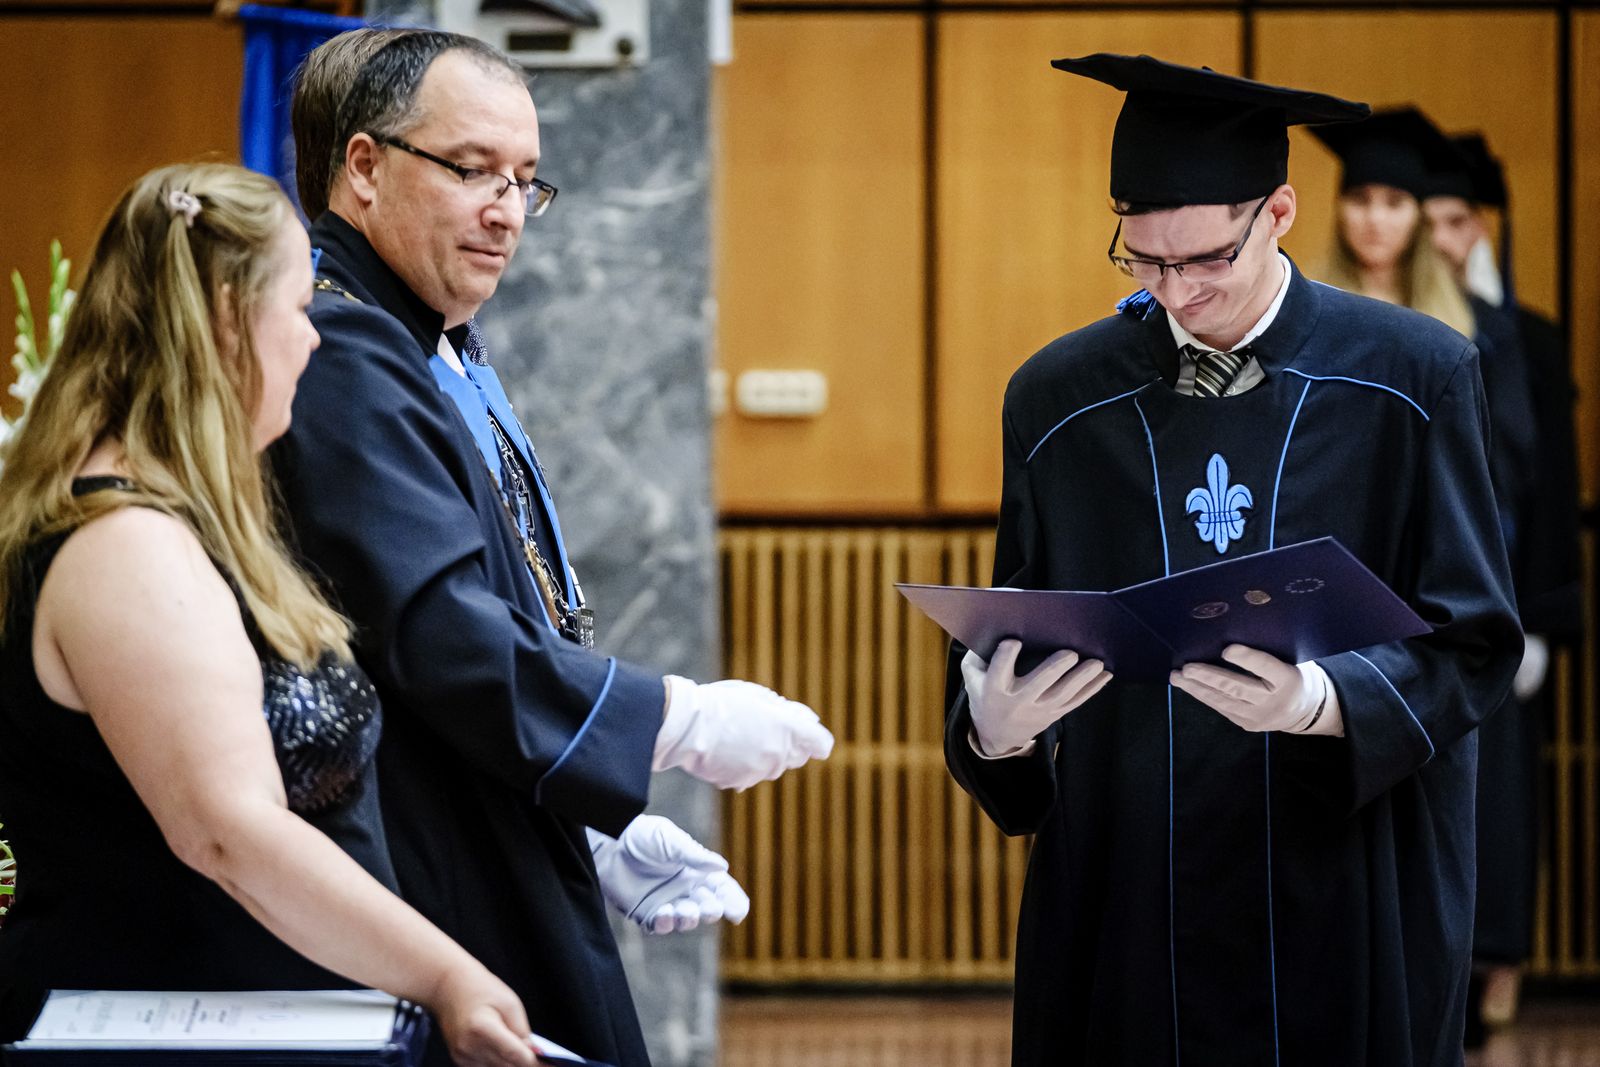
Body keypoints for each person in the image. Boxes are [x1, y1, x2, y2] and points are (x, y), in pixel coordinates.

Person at [943, 55, 1521, 1066]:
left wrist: (1320, 699)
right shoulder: (1057, 398)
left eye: (1207, 258)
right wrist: (994, 731)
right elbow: (1017, 629)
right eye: (1144, 261)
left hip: (1344, 875)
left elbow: (1472, 641)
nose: (1177, 290)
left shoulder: (1416, 376)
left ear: (1279, 213)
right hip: (1132, 886)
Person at [271, 31, 833, 1067]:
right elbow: (436, 632)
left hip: (493, 812)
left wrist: (593, 821)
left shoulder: (433, 343)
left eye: (525, 180)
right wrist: (673, 718)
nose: (505, 209)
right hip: (431, 856)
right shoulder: (343, 349)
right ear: (363, 168)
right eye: (471, 168)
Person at [0, 162, 539, 1067]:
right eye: (297, 308)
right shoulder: (123, 545)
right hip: (167, 1034)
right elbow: (228, 830)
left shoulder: (183, 516)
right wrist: (448, 976)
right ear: (226, 318)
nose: (314, 338)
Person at [1423, 131, 1584, 1035]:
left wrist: (1547, 618)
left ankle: (1499, 957)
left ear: (1482, 226)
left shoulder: (1526, 337)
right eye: (1430, 223)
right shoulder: (1400, 328)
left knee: (1504, 789)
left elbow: (1551, 484)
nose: (1442, 241)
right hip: (1423, 598)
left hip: (1508, 593)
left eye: (1457, 222)